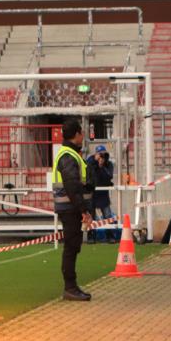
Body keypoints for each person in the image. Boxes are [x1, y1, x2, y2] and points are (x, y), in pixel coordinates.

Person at [52, 119, 93, 301]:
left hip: (70, 207)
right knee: (71, 247)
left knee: (72, 247)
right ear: (76, 134)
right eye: (81, 133)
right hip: (70, 209)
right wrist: (83, 210)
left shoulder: (69, 153)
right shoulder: (68, 156)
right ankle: (70, 287)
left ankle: (71, 286)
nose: (83, 136)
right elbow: (73, 186)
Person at [87, 145, 119, 244]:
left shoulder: (108, 164)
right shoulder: (90, 162)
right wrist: (96, 164)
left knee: (107, 215)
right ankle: (91, 237)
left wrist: (101, 166)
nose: (101, 156)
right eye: (99, 154)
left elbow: (109, 177)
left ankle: (110, 236)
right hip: (92, 192)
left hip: (103, 193)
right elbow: (89, 173)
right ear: (95, 154)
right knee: (91, 216)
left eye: (103, 154)